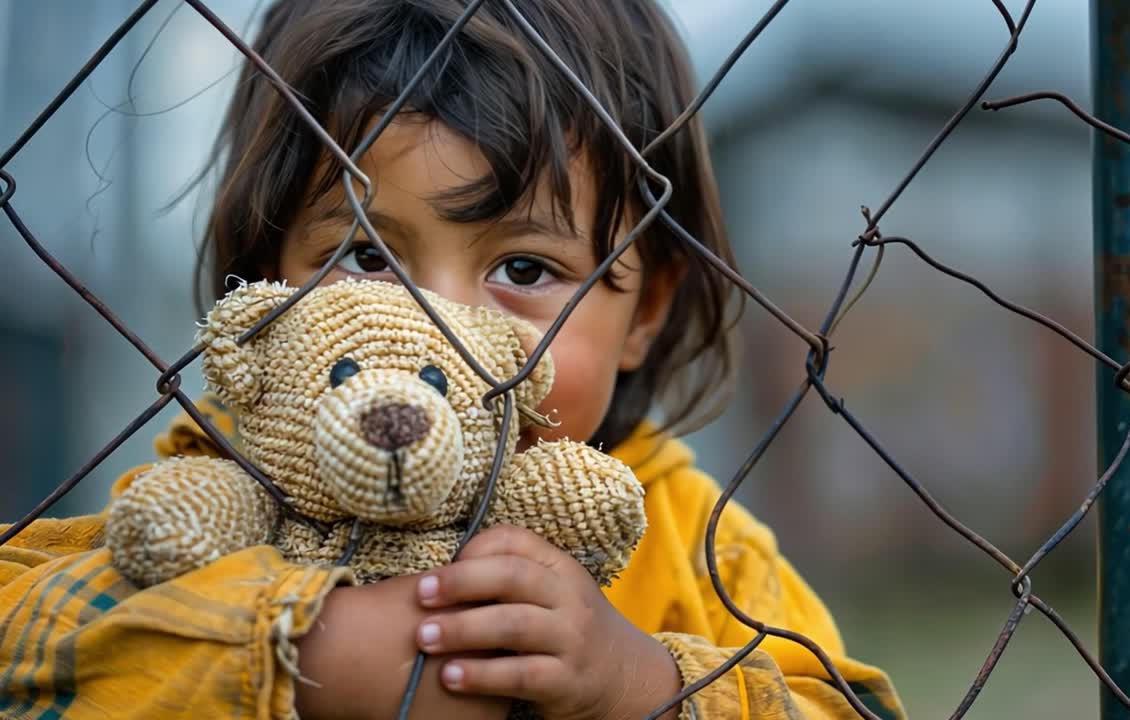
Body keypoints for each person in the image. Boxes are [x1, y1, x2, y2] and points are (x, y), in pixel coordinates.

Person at [0, 1, 904, 718]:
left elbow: (848, 706)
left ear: (646, 311)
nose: (438, 327)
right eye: (364, 255)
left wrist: (643, 688)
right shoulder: (222, 492)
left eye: (524, 268)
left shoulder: (688, 538)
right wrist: (298, 653)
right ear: (265, 281)